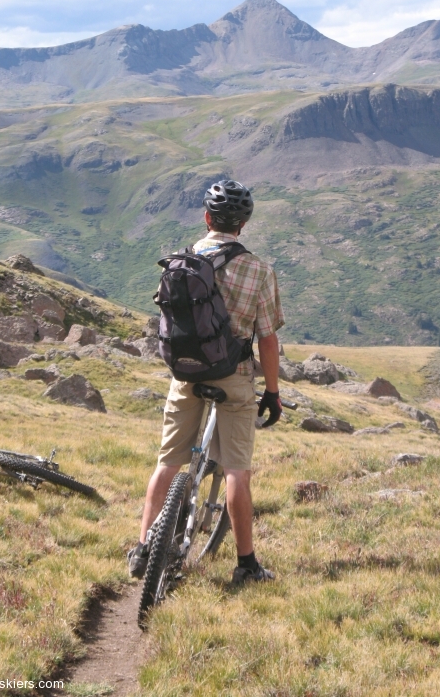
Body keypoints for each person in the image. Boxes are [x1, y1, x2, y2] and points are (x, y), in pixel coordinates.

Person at [128, 179, 284, 584]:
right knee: (237, 470)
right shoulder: (260, 271)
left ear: (206, 217)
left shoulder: (183, 260)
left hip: (186, 372)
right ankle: (246, 564)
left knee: (167, 463)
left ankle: (143, 547)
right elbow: (267, 339)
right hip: (233, 376)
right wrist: (273, 392)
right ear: (243, 225)